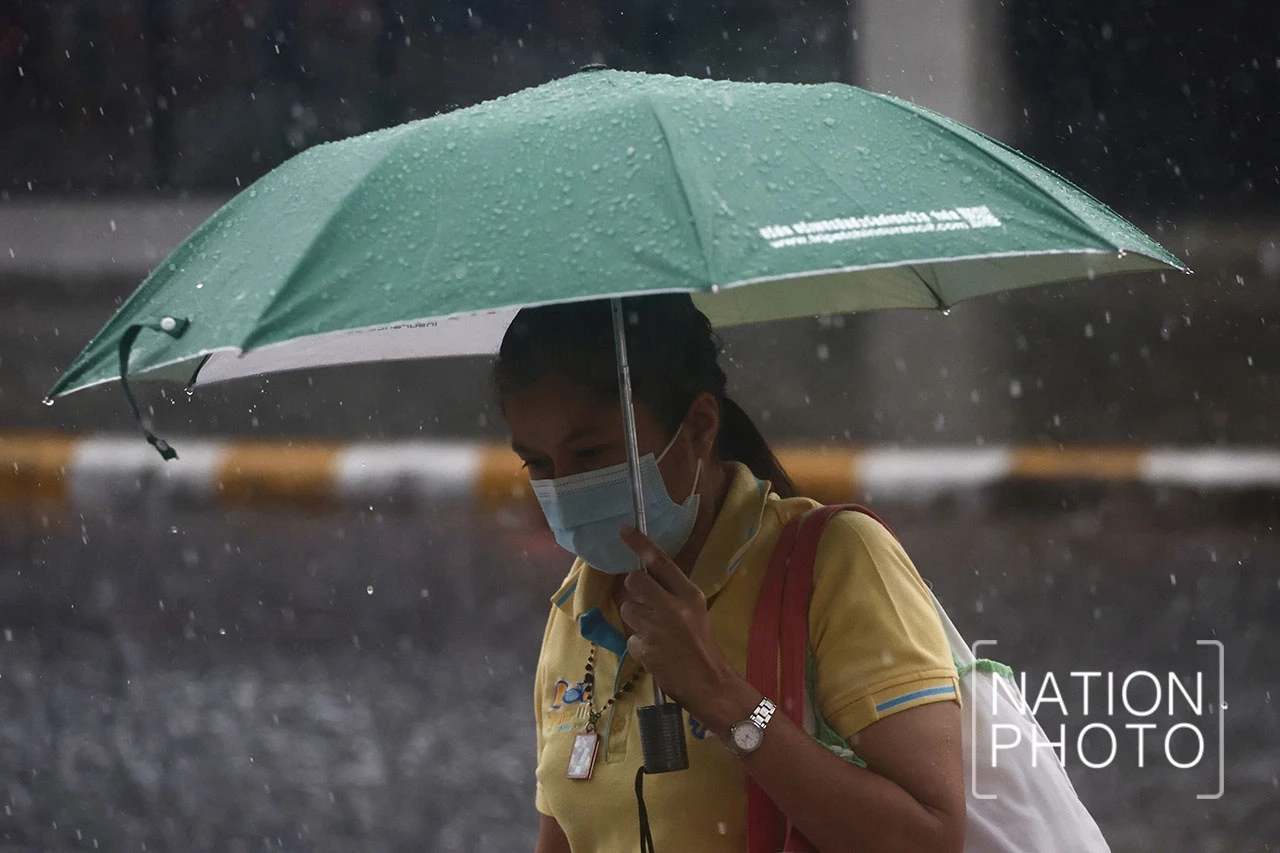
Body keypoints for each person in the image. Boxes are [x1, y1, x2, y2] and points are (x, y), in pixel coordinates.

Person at [493, 294, 965, 853]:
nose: (565, 489)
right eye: (539, 465)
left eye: (592, 453)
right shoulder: (577, 602)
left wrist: (720, 695)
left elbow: (930, 838)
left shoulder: (835, 562)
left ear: (698, 428)